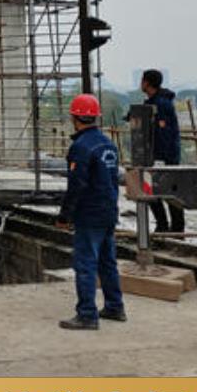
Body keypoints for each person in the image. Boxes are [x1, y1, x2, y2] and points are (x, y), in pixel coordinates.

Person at [56, 93, 126, 329]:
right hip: (108, 211)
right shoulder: (108, 144)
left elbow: (77, 185)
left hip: (89, 214)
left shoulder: (81, 147)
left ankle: (87, 314)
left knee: (85, 264)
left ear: (74, 117)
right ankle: (115, 306)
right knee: (107, 262)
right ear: (96, 116)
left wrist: (65, 215)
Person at [140, 69, 184, 234]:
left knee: (168, 191)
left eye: (142, 80)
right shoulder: (153, 102)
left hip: (165, 157)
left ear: (147, 83)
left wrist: (161, 159)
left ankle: (175, 228)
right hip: (156, 155)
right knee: (151, 190)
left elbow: (164, 134)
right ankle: (164, 226)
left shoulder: (161, 104)